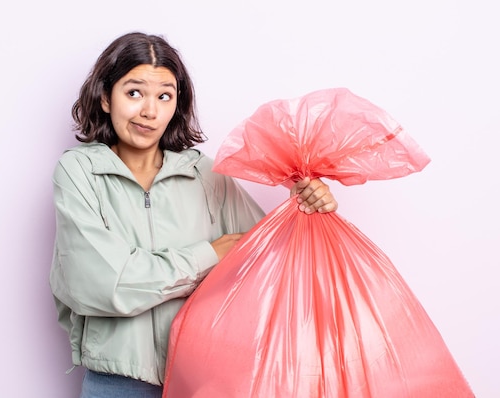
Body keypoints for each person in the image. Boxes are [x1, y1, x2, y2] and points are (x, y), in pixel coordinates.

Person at [49, 31, 338, 398]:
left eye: (164, 96)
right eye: (134, 92)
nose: (150, 111)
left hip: (203, 379)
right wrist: (209, 255)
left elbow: (269, 264)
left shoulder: (205, 175)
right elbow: (104, 285)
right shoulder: (79, 172)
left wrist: (306, 210)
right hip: (116, 383)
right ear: (106, 97)